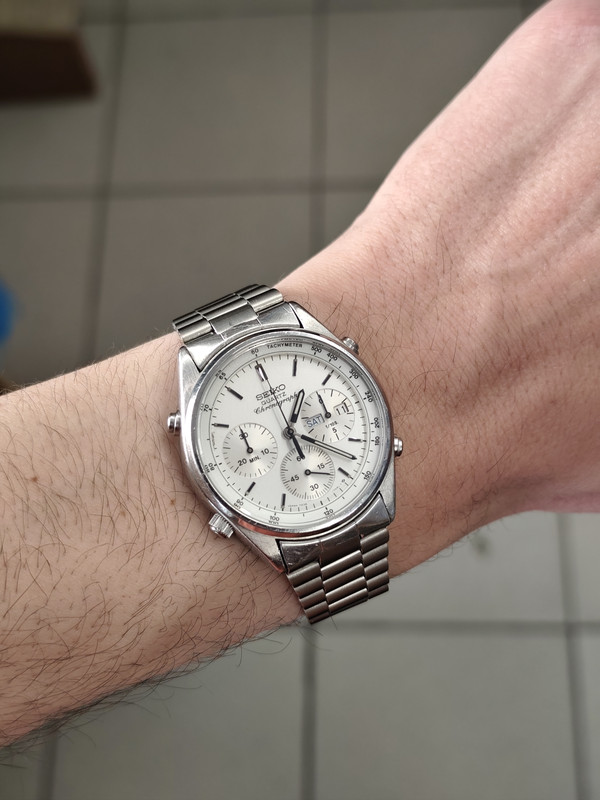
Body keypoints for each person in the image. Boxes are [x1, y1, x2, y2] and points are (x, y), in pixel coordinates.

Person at [1, 0, 599, 747]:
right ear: (182, 431)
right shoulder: (227, 494)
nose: (289, 431)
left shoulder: (312, 414)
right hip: (277, 501)